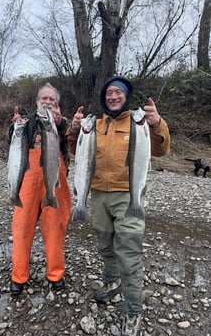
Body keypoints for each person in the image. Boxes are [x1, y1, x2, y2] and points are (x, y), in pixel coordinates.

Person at [68, 76, 170, 336]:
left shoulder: (140, 124)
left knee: (129, 254)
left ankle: (133, 310)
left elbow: (161, 150)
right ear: (104, 98)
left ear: (125, 97)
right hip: (99, 196)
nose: (113, 96)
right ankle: (112, 284)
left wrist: (158, 124)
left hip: (128, 197)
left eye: (118, 93)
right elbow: (75, 151)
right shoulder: (96, 125)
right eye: (109, 93)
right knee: (106, 246)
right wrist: (75, 129)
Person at [9, 82, 71, 295]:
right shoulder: (26, 122)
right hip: (28, 181)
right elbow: (14, 145)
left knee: (55, 228)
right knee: (21, 228)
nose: (47, 102)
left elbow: (74, 137)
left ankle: (55, 275)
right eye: (44, 98)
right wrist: (14, 126)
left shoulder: (63, 123)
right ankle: (18, 276)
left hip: (54, 181)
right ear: (37, 102)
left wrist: (60, 123)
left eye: (51, 99)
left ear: (57, 104)